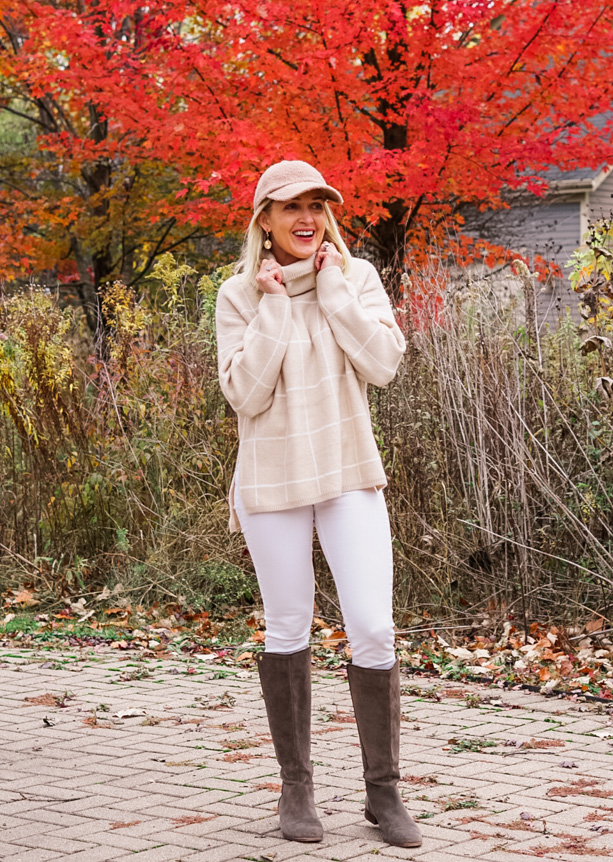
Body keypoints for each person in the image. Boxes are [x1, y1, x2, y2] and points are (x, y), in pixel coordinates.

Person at [215, 159, 421, 849]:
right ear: (264, 220)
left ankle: (383, 793)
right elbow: (244, 394)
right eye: (290, 206)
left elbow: (384, 364)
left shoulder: (355, 278)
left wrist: (331, 291)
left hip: (347, 474)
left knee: (372, 625)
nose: (306, 217)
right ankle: (296, 789)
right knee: (287, 626)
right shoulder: (239, 295)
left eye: (316, 205)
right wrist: (276, 304)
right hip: (270, 483)